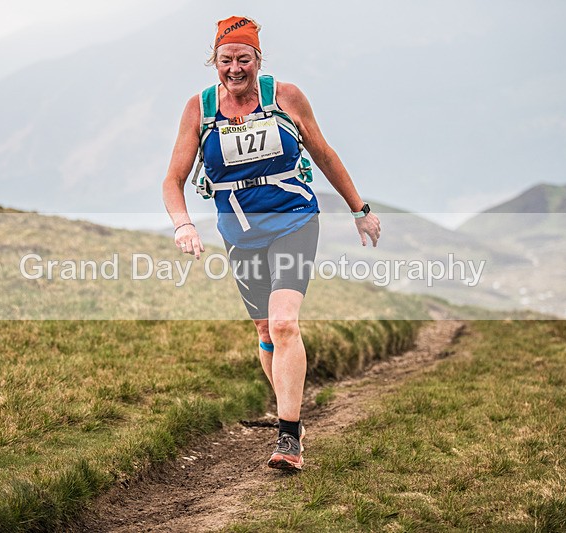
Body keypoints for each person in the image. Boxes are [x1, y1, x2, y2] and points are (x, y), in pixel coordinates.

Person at [162, 16, 380, 471]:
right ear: (214, 62)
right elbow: (173, 179)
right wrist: (183, 224)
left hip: (293, 221)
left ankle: (287, 437)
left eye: (244, 59)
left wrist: (359, 209)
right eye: (226, 60)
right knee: (265, 332)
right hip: (240, 233)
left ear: (258, 60)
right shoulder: (199, 110)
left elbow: (322, 153)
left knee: (283, 325)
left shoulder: (286, 97)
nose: (235, 69)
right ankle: (293, 419)